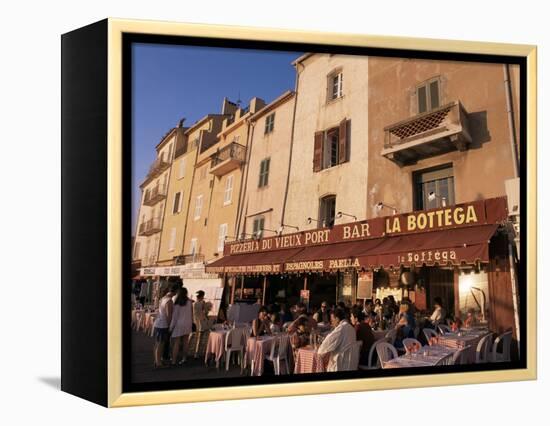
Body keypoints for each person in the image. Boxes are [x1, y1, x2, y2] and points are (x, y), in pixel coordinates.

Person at [152, 285, 175, 368]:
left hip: (158, 323)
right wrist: (170, 326)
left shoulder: (163, 298)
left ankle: (157, 360)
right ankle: (158, 363)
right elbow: (169, 315)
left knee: (158, 343)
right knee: (160, 344)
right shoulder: (169, 301)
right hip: (163, 325)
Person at [169, 286, 193, 365]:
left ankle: (173, 360)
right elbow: (191, 313)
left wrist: (171, 327)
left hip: (179, 324)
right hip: (188, 323)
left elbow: (175, 317)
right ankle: (184, 358)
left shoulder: (177, 303)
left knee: (177, 342)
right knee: (186, 342)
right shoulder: (189, 302)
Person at [192, 290, 208, 358]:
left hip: (194, 321)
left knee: (192, 336)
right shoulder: (202, 303)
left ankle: (190, 351)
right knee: (200, 338)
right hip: (201, 321)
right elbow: (206, 312)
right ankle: (197, 352)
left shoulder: (193, 303)